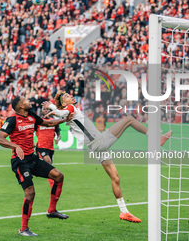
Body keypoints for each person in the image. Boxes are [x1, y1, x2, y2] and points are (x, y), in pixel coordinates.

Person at [42, 91, 172, 223]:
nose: (70, 95)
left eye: (69, 94)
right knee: (129, 119)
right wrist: (54, 109)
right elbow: (63, 112)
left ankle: (124, 212)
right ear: (64, 103)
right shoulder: (70, 109)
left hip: (96, 148)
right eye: (66, 96)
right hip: (99, 142)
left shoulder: (69, 110)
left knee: (115, 178)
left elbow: (62, 113)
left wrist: (53, 109)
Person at [0, 96, 73, 237]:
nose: (29, 102)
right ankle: (23, 229)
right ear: (20, 107)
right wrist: (16, 146)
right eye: (25, 101)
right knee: (30, 193)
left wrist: (64, 120)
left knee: (58, 176)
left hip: (33, 158)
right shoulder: (12, 120)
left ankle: (52, 211)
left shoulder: (31, 116)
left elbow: (47, 123)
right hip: (20, 162)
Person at [35, 108, 61, 192]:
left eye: (47, 109)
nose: (45, 111)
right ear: (42, 111)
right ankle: (54, 188)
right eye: (44, 109)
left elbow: (58, 134)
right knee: (49, 163)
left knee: (49, 168)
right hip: (41, 147)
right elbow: (30, 131)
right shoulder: (38, 121)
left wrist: (57, 139)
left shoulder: (53, 121)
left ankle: (36, 170)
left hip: (50, 148)